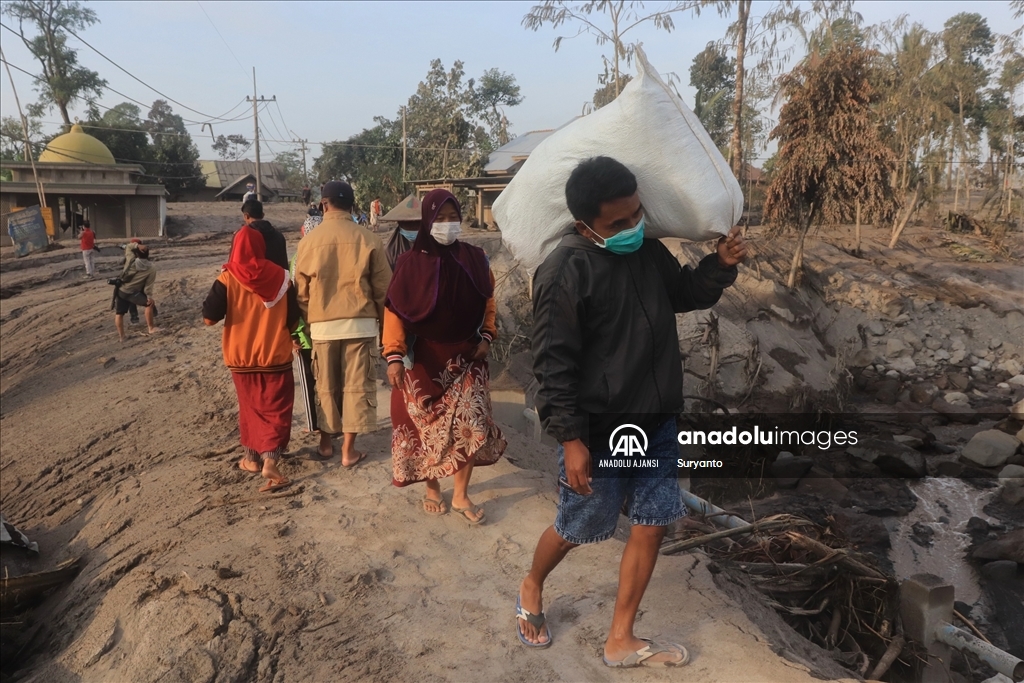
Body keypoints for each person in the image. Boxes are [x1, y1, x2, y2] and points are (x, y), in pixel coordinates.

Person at [516, 157, 747, 665]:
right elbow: (553, 364)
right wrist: (571, 439)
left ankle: (621, 637)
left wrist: (720, 266)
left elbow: (682, 293)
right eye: (617, 224)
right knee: (579, 525)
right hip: (602, 427)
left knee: (654, 521)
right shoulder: (564, 272)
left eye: (636, 216)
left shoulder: (647, 251)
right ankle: (532, 584)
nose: (632, 229)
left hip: (658, 415)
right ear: (584, 226)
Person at [383, 189, 505, 523]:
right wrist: (394, 356)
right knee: (423, 427)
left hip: (468, 356)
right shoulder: (410, 263)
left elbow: (488, 301)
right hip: (424, 361)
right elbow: (394, 311)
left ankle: (462, 494)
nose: (448, 225)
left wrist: (487, 336)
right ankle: (433, 486)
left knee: (469, 425)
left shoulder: (475, 258)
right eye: (440, 218)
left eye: (453, 218)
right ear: (427, 221)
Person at [293, 180, 392, 466]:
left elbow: (301, 293)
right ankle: (349, 450)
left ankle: (326, 444)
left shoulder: (308, 242)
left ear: (324, 204)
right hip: (361, 325)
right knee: (357, 386)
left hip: (322, 326)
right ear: (352, 205)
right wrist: (386, 331)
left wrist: (307, 327)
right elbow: (384, 291)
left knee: (325, 386)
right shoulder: (369, 239)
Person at [203, 225, 299, 492]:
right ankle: (270, 459)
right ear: (261, 248)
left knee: (250, 409)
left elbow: (209, 318)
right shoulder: (282, 278)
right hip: (275, 356)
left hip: (240, 358)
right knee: (276, 410)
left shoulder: (226, 279)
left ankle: (252, 459)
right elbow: (293, 320)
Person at [114, 243, 160, 341]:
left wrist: (137, 245)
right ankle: (151, 328)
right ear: (148, 254)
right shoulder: (151, 268)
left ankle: (122, 337)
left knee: (119, 314)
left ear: (137, 254)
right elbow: (149, 284)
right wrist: (149, 296)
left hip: (121, 290)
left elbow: (129, 247)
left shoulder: (130, 260)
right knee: (149, 305)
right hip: (133, 293)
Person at [240, 199, 288, 269]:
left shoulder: (245, 236)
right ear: (262, 215)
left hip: (255, 278)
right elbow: (284, 265)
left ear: (246, 216)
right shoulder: (279, 236)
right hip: (276, 277)